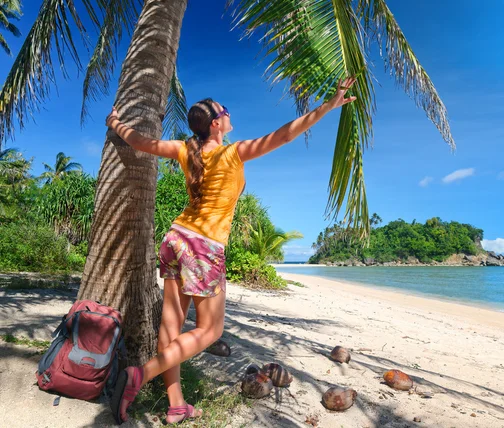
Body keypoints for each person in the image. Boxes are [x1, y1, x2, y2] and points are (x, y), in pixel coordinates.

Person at [106, 77, 357, 424]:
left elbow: (140, 141)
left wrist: (115, 123)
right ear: (215, 123)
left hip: (175, 239)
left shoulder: (184, 149)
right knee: (210, 331)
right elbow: (283, 135)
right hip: (203, 247)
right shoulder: (232, 152)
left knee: (172, 325)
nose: (228, 113)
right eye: (224, 111)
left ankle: (176, 404)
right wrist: (328, 106)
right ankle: (140, 375)